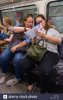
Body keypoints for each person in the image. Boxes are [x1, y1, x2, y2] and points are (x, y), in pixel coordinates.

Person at [18, 14, 62, 93]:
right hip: (38, 51)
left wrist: (44, 36)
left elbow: (59, 41)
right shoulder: (37, 30)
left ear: (45, 20)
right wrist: (33, 37)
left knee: (43, 70)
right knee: (22, 63)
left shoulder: (52, 30)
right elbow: (33, 43)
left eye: (40, 21)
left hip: (51, 52)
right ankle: (31, 82)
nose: (39, 24)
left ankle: (43, 91)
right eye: (37, 23)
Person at [0, 14, 34, 87]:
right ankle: (5, 73)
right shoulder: (19, 26)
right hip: (11, 46)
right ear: (24, 22)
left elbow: (28, 41)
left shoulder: (33, 31)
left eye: (32, 22)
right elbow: (13, 29)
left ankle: (18, 78)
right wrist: (26, 29)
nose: (31, 24)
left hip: (21, 50)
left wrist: (16, 47)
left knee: (17, 60)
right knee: (3, 57)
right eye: (29, 22)